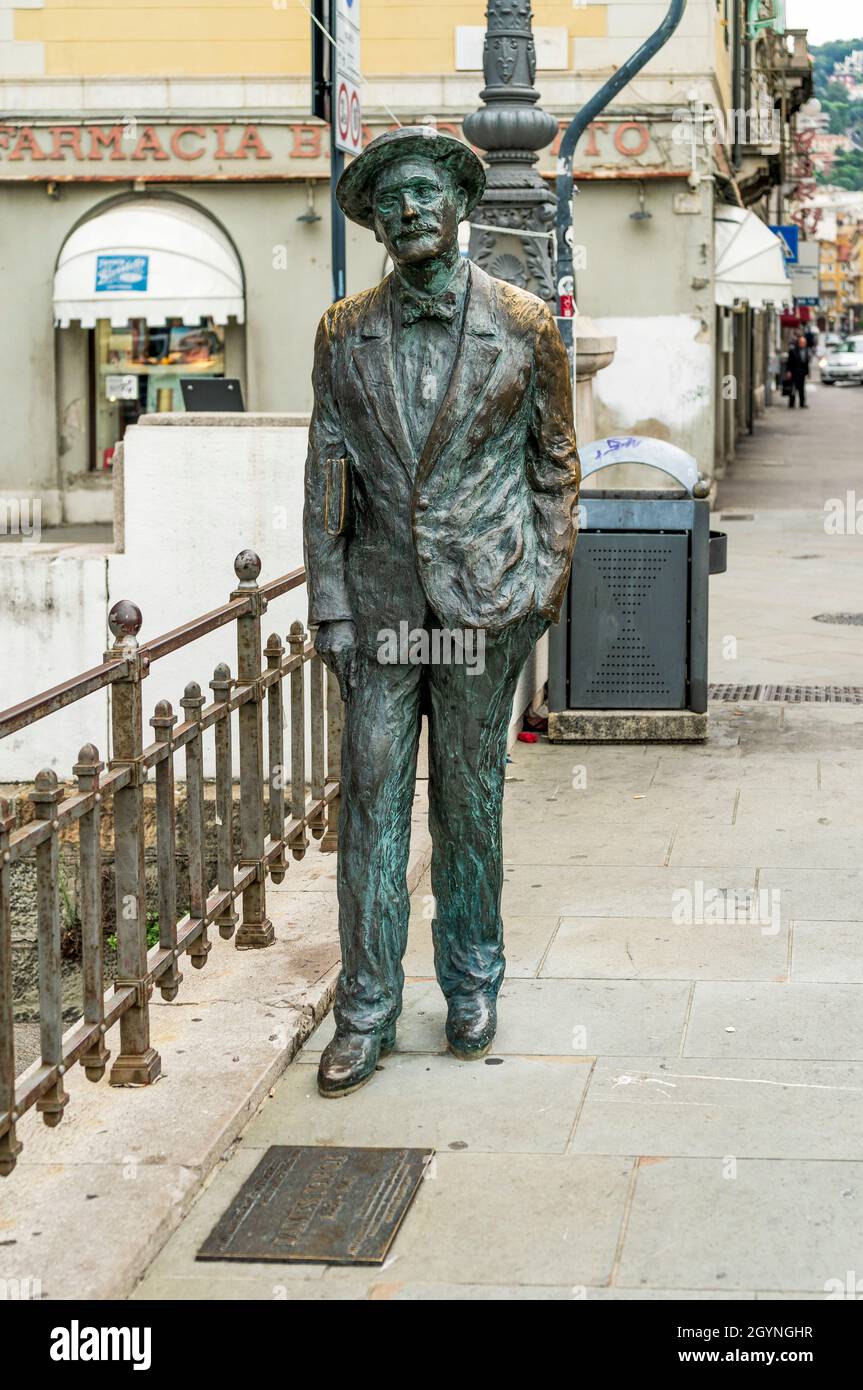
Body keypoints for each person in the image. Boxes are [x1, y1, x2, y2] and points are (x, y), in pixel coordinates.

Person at [303, 127, 581, 1097]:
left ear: (458, 204)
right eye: (392, 200)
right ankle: (366, 1010)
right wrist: (329, 603)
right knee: (370, 808)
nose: (410, 210)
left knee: (469, 805)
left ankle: (470, 983)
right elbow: (329, 474)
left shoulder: (522, 323)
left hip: (482, 602)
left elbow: (554, 463)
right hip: (379, 611)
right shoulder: (342, 331)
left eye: (426, 193)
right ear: (374, 220)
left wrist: (541, 586)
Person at [784, 333, 810, 409]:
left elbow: (806, 363)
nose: (804, 344)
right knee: (793, 388)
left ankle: (802, 403)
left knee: (802, 389)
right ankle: (791, 403)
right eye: (802, 343)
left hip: (802, 373)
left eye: (804, 343)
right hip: (794, 372)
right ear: (799, 343)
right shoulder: (793, 351)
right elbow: (789, 362)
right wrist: (788, 371)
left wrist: (807, 372)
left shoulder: (806, 351)